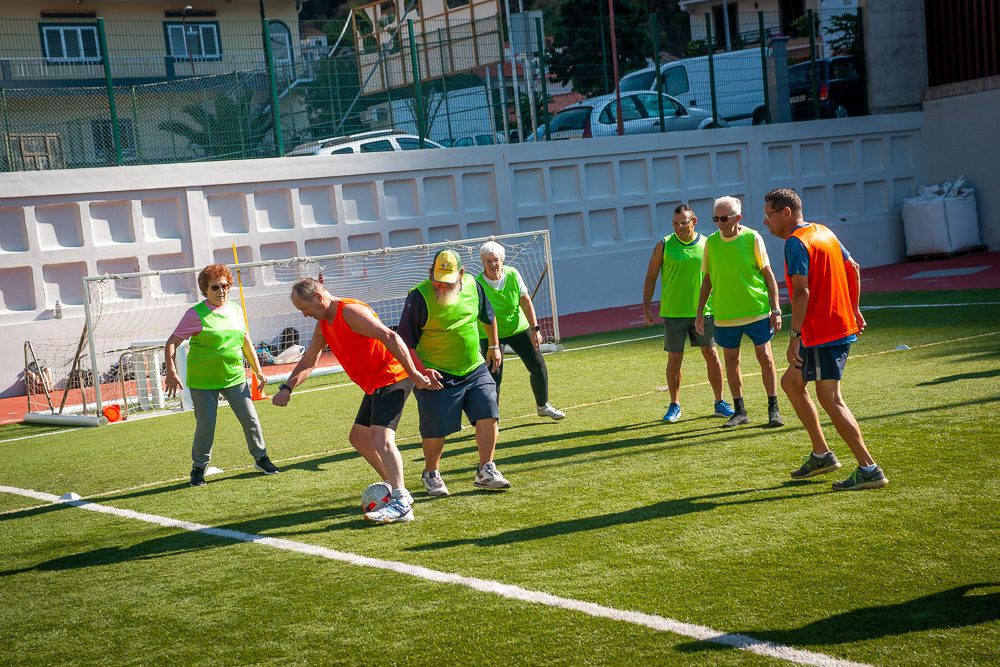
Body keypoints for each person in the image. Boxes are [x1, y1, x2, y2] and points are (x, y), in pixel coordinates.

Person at [274, 278, 438, 523]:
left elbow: (390, 336)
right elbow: (309, 361)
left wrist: (415, 373)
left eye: (304, 308)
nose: (305, 315)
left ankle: (401, 504)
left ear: (318, 297)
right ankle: (394, 487)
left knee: (381, 439)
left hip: (392, 377)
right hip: (375, 384)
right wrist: (287, 387)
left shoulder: (350, 311)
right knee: (359, 438)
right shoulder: (323, 325)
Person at [762, 188, 888, 490]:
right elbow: (853, 267)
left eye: (769, 215)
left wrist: (794, 336)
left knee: (831, 399)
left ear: (786, 213)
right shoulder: (823, 232)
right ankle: (822, 453)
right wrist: (854, 309)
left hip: (821, 333)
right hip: (833, 327)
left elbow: (802, 292)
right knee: (791, 384)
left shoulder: (795, 243)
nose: (766, 222)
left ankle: (868, 468)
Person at [398, 249, 511, 496]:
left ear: (461, 274)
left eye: (447, 281)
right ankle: (431, 473)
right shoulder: (418, 297)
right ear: (431, 273)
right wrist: (420, 371)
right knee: (435, 428)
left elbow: (488, 316)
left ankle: (486, 469)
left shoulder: (473, 285)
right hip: (435, 374)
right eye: (437, 280)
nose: (441, 286)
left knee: (488, 411)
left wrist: (493, 346)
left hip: (474, 366)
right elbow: (404, 343)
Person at [164, 264, 279, 487]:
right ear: (205, 290)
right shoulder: (195, 314)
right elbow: (171, 342)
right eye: (215, 287)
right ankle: (198, 468)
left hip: (234, 377)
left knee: (251, 419)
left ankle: (261, 458)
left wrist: (258, 371)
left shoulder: (235, 309)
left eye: (225, 286)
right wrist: (171, 371)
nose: (221, 291)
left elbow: (246, 340)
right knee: (206, 426)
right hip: (203, 381)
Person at [695, 196, 785, 428]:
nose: (720, 223)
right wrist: (699, 313)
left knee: (765, 357)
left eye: (724, 218)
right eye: (716, 218)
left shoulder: (752, 237)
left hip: (756, 310)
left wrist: (775, 309)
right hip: (724, 314)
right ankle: (740, 411)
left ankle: (773, 408)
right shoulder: (711, 243)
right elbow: (707, 280)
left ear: (737, 218)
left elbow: (769, 276)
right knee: (731, 361)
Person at [642, 205, 734, 422]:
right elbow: (651, 276)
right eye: (675, 224)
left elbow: (719, 273)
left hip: (704, 311)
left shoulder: (708, 244)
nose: (679, 227)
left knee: (711, 354)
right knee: (674, 358)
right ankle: (674, 404)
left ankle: (720, 402)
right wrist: (646, 307)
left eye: (683, 222)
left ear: (694, 221)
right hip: (674, 313)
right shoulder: (664, 246)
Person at [474, 241, 565, 420]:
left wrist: (534, 329)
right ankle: (492, 418)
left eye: (496, 260)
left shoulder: (513, 274)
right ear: (482, 263)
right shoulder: (477, 284)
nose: (493, 264)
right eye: (488, 261)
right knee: (494, 376)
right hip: (491, 335)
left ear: (502, 260)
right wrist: (492, 345)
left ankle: (543, 406)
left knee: (538, 366)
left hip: (518, 328)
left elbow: (525, 301)